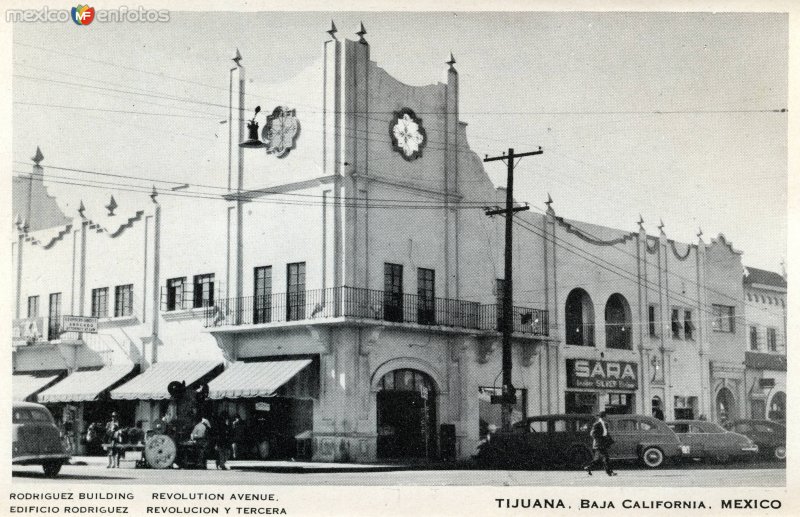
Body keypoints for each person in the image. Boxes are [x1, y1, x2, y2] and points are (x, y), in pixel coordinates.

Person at [583, 411, 616, 476]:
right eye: (606, 416)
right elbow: (592, 434)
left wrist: (611, 440)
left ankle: (588, 467)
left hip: (603, 444)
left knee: (597, 459)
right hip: (599, 444)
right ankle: (609, 472)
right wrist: (600, 439)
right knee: (606, 458)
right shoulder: (596, 424)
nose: (607, 417)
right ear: (603, 417)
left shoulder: (605, 424)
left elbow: (606, 433)